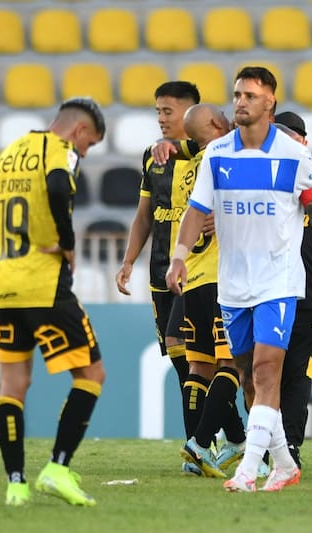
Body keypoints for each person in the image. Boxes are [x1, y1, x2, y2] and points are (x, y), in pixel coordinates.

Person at [165, 66, 312, 493]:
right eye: (236, 95)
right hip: (233, 284)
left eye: (249, 95)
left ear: (269, 101)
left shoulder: (293, 155)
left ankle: (248, 471)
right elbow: (196, 210)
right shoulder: (217, 155)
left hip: (280, 281)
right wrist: (179, 257)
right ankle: (283, 463)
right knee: (249, 378)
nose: (241, 102)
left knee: (268, 371)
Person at [0, 98, 107, 506]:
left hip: (4, 286)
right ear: (78, 132)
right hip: (44, 284)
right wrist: (68, 242)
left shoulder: (11, 152)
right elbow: (59, 186)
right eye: (89, 145)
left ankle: (16, 484)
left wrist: (8, 237)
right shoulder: (59, 153)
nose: (85, 152)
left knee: (13, 385)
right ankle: (58, 468)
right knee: (92, 374)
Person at [114, 81, 202, 475]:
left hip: (197, 271)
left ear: (189, 112)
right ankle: (201, 445)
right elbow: (145, 216)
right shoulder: (153, 157)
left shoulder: (210, 153)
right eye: (158, 111)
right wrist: (129, 261)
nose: (162, 118)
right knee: (184, 364)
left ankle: (208, 443)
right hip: (158, 272)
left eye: (168, 111)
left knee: (190, 353)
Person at [169, 104, 248, 478]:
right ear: (218, 123)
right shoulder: (224, 158)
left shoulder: (188, 169)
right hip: (221, 277)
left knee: (198, 366)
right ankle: (199, 444)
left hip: (195, 279)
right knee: (230, 364)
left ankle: (217, 446)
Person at [272, 112, 312, 470]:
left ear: (303, 141)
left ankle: (289, 444)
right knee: (263, 372)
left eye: (290, 137)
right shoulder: (268, 177)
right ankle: (265, 444)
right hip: (269, 292)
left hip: (307, 295)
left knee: (298, 374)